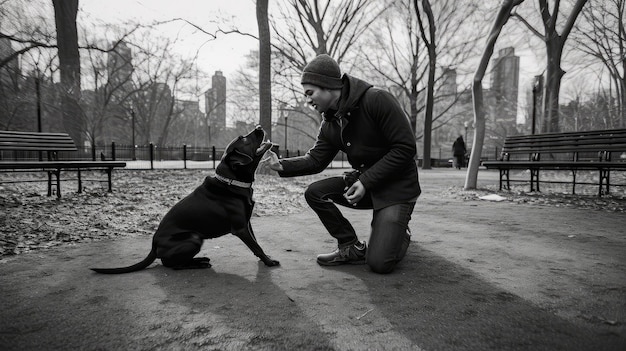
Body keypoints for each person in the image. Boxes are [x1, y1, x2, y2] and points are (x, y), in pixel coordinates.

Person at [265, 54, 421, 274]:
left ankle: (400, 230)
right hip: (365, 185)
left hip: (397, 188)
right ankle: (351, 247)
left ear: (328, 86)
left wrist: (366, 180)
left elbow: (405, 148)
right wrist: (283, 165)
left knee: (379, 263)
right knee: (315, 193)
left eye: (310, 93)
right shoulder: (330, 123)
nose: (307, 100)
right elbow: (316, 159)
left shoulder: (377, 100)